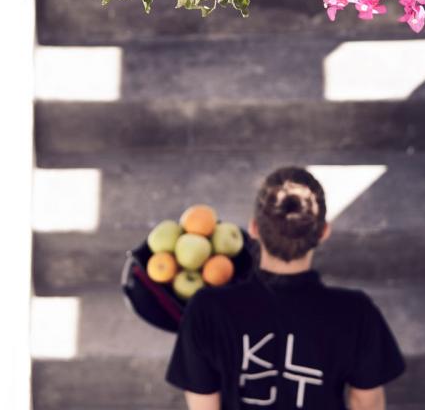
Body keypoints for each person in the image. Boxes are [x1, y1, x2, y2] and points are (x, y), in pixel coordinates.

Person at [166, 166, 405, 409]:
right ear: (323, 232)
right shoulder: (357, 312)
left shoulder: (206, 309)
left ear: (254, 229)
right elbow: (366, 403)